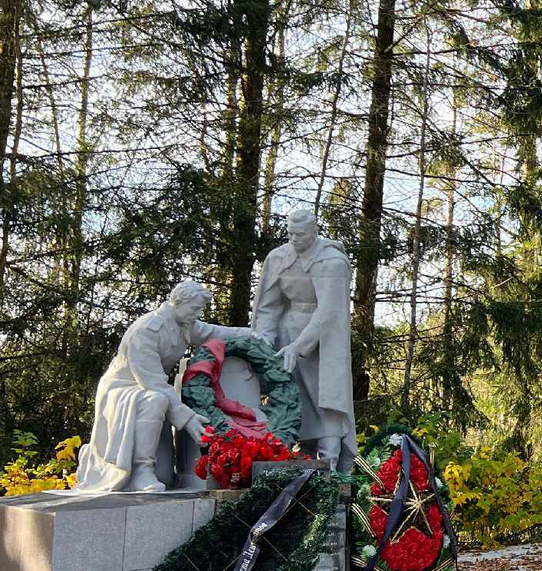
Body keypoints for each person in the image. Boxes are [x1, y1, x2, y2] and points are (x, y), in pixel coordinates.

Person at [75, 280, 248, 493]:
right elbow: (153, 381)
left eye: (200, 309)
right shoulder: (147, 330)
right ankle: (141, 469)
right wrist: (188, 418)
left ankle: (143, 467)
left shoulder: (184, 323)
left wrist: (253, 334)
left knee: (165, 476)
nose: (198, 314)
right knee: (157, 399)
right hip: (123, 388)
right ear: (178, 302)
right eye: (195, 308)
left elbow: (213, 332)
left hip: (152, 389)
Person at [253, 207, 356, 472]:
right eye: (291, 234)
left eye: (301, 234)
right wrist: (264, 340)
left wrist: (299, 346)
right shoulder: (278, 258)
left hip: (324, 339)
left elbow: (329, 310)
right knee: (292, 394)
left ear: (313, 232)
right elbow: (268, 305)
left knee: (325, 398)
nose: (295, 239)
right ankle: (301, 455)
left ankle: (330, 466)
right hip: (287, 330)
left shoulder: (331, 261)